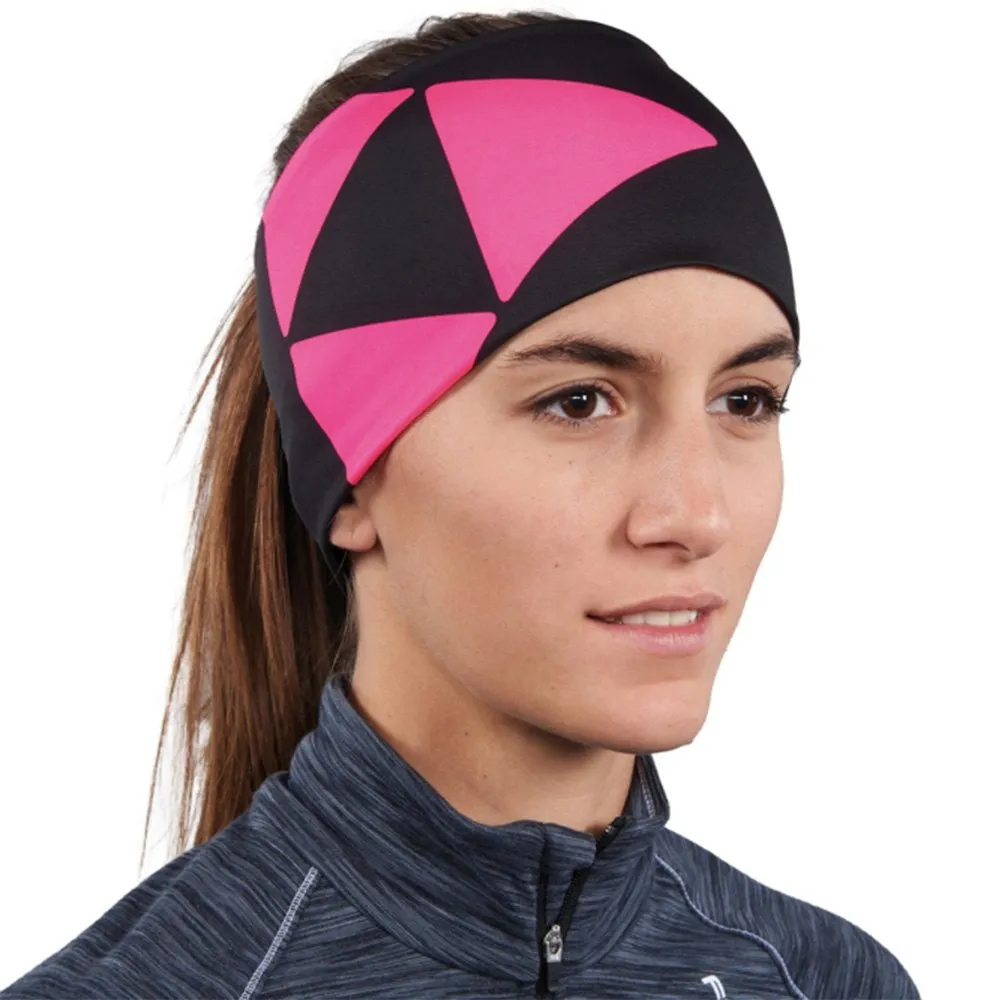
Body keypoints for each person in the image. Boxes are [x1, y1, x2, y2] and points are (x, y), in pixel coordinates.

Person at [0, 10, 921, 1000]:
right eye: (579, 402)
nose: (698, 517)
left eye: (745, 401)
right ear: (354, 470)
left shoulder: (831, 981)